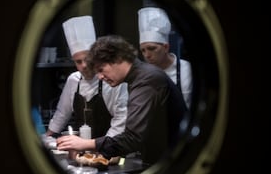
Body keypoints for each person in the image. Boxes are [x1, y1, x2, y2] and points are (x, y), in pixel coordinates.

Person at [56, 35, 188, 166]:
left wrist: (86, 144)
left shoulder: (147, 80)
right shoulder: (138, 77)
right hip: (162, 159)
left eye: (101, 70)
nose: (100, 77)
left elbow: (132, 138)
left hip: (175, 162)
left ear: (118, 59)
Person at [44, 16, 128, 139]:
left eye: (88, 58)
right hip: (81, 149)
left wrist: (102, 147)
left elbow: (121, 120)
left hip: (110, 148)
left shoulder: (113, 80)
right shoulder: (73, 80)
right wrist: (47, 137)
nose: (84, 65)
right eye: (78, 61)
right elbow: (62, 113)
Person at [138, 7, 193, 108]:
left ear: (166, 47)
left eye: (151, 48)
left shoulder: (186, 70)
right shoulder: (143, 75)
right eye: (143, 50)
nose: (147, 55)